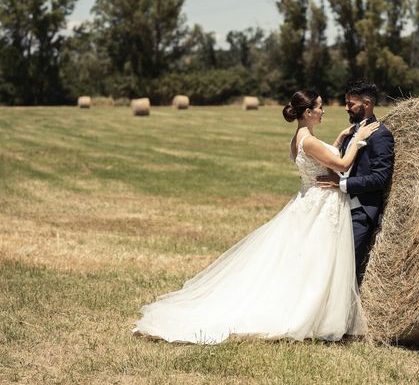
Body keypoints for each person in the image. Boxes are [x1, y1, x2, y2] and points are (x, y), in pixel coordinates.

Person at [132, 90, 379, 344]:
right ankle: (312, 315)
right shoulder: (310, 141)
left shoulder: (299, 139)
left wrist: (339, 139)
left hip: (309, 201)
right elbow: (340, 165)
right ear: (308, 112)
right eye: (319, 107)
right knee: (317, 261)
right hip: (321, 204)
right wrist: (359, 138)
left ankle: (318, 313)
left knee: (306, 260)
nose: (323, 111)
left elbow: (324, 160)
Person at [317, 81, 394, 285]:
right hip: (340, 207)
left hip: (360, 213)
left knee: (346, 272)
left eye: (350, 104)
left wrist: (341, 184)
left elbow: (380, 178)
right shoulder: (352, 132)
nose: (346, 108)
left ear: (366, 104)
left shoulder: (381, 135)